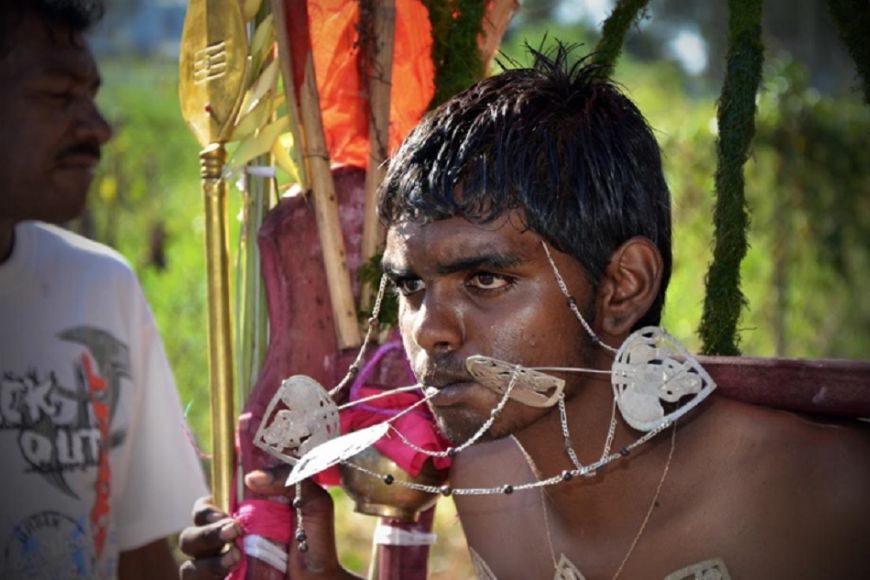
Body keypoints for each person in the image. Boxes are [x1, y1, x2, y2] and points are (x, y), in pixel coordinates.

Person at [179, 46, 870, 579]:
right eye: (411, 288)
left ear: (623, 286)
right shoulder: (485, 484)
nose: (428, 331)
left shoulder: (826, 493)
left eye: (485, 278)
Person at [0, 1, 209, 578]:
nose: (98, 127)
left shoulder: (98, 286)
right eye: (58, 94)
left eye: (90, 94)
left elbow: (137, 549)